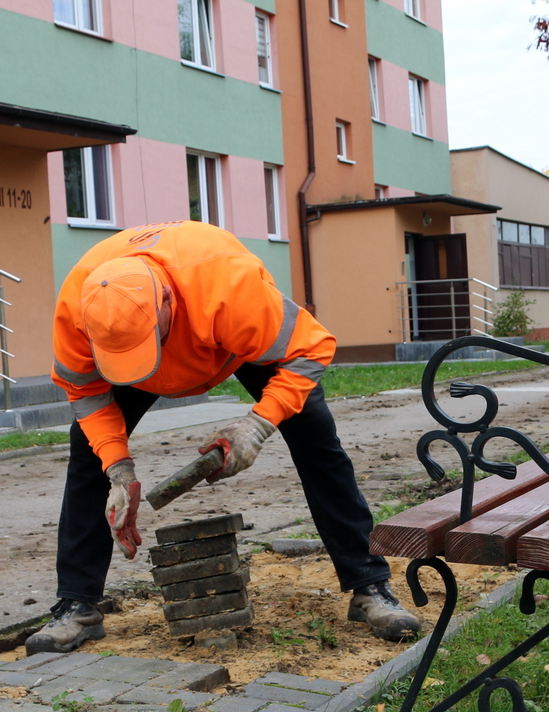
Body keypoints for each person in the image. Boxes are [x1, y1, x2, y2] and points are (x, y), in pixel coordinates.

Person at [25, 220, 420, 653]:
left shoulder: (227, 283)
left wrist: (257, 424)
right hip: (150, 339)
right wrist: (118, 469)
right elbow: (85, 392)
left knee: (316, 442)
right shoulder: (78, 305)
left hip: (226, 340)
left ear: (167, 300)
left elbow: (311, 350)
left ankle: (369, 585)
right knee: (87, 459)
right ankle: (76, 606)